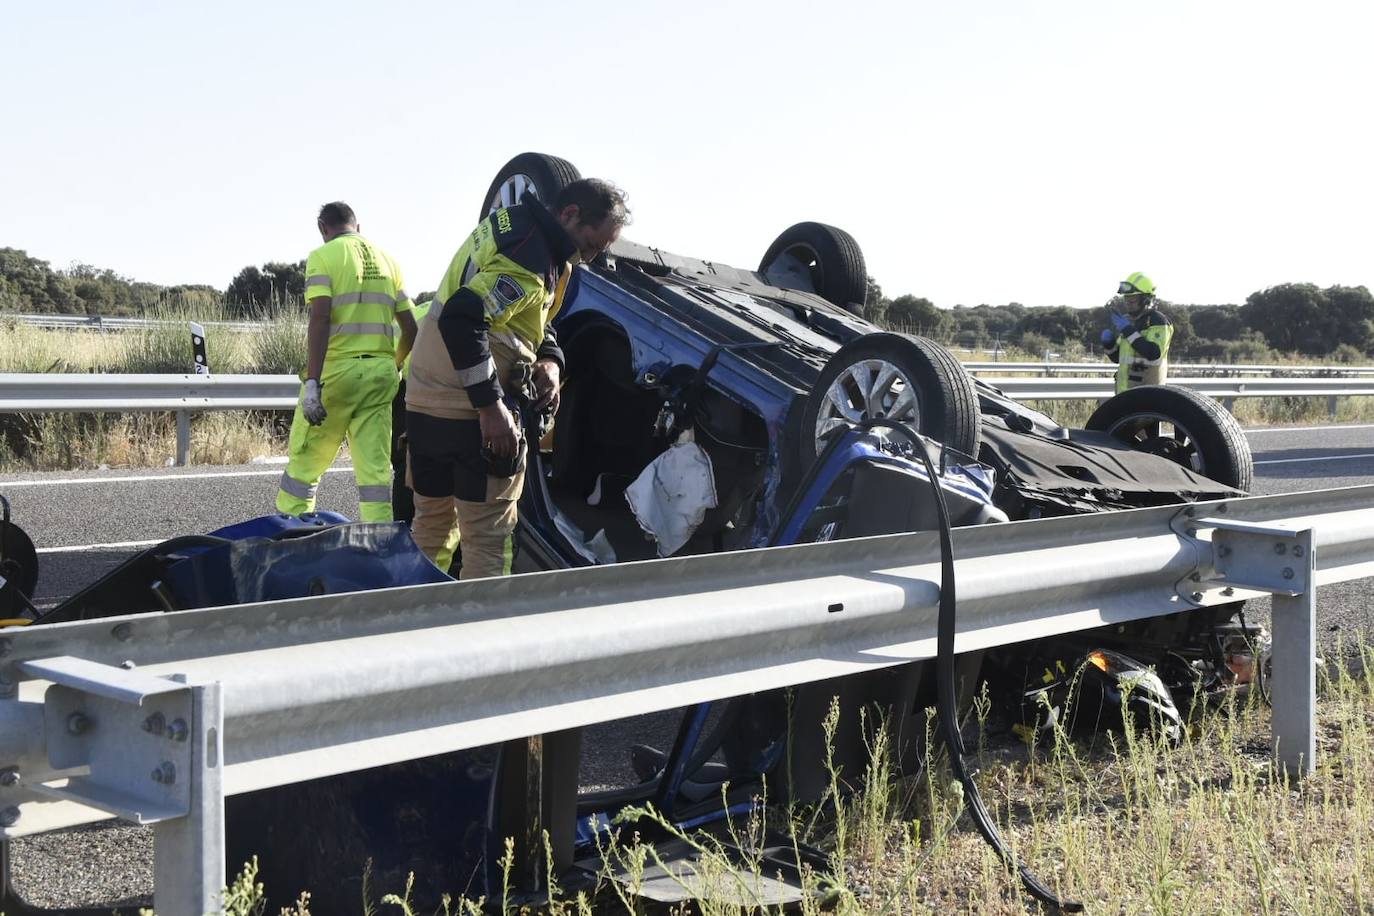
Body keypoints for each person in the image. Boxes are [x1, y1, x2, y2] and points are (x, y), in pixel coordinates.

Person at [405, 179, 629, 578]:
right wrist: (491, 407)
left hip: (425, 402)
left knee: (431, 527)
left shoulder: (513, 227)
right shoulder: (533, 255)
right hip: (471, 418)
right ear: (570, 214)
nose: (592, 257)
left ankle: (414, 626)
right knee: (489, 543)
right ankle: (480, 635)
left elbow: (529, 318)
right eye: (593, 244)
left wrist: (551, 359)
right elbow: (465, 317)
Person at [276, 202, 417, 522]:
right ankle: (378, 547)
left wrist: (313, 381)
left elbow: (320, 318)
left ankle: (291, 534)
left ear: (323, 229)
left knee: (304, 467)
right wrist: (391, 364)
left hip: (337, 376)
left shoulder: (323, 257)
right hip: (380, 376)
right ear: (358, 226)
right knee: (375, 478)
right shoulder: (389, 262)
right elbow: (411, 329)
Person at [1100, 271, 1172, 393]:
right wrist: (1109, 344)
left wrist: (1128, 330)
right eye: (1126, 300)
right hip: (1123, 393)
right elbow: (1118, 358)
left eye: (1132, 301)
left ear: (1146, 299)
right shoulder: (1129, 321)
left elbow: (1152, 353)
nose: (1128, 305)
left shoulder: (1157, 321)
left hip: (1148, 394)